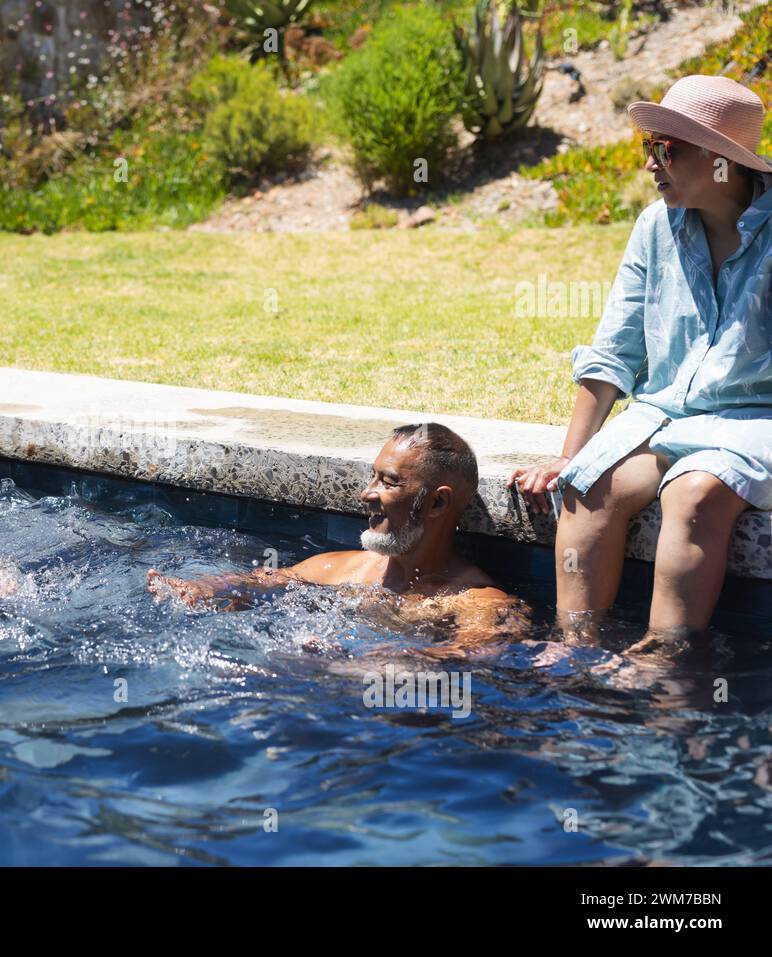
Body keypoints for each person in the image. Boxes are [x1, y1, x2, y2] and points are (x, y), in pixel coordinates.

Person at [509, 75, 772, 641]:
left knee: (694, 491)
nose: (651, 164)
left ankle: (663, 671)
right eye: (648, 147)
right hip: (668, 414)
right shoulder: (656, 226)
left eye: (666, 149)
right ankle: (577, 658)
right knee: (584, 485)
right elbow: (615, 350)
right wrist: (569, 456)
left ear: (721, 159)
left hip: (758, 419)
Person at [149, 423, 528, 655]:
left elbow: (465, 666)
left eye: (389, 481)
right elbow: (259, 584)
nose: (367, 493)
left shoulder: (477, 603)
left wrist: (358, 664)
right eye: (373, 477)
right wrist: (204, 589)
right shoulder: (333, 567)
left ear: (437, 502)